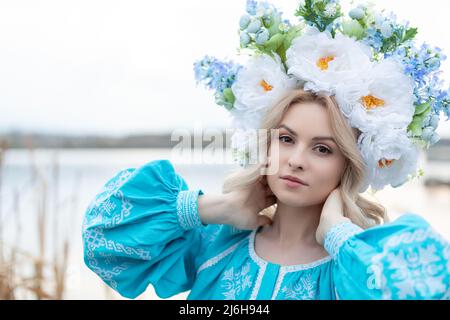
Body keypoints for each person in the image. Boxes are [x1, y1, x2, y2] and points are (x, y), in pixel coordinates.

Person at [82, 0, 450, 299]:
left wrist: (337, 233)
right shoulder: (216, 246)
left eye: (322, 149)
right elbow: (103, 239)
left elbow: (431, 287)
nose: (294, 160)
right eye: (286, 139)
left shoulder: (354, 271)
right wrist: (215, 208)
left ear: (350, 164)